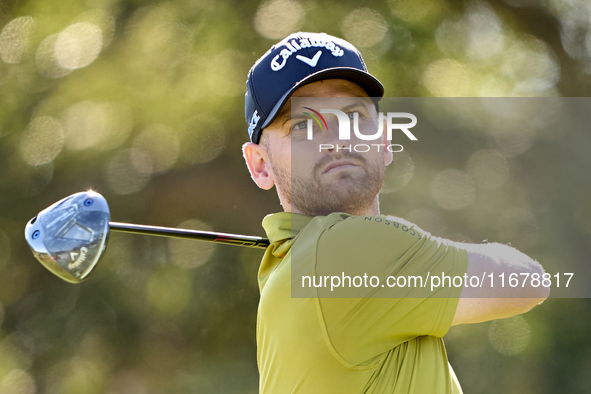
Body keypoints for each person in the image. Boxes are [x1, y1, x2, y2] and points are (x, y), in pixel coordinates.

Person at [241, 32, 549, 394]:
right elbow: (528, 281)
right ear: (260, 165)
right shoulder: (344, 252)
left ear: (384, 140)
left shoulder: (288, 272)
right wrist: (418, 250)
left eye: (353, 115)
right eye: (304, 125)